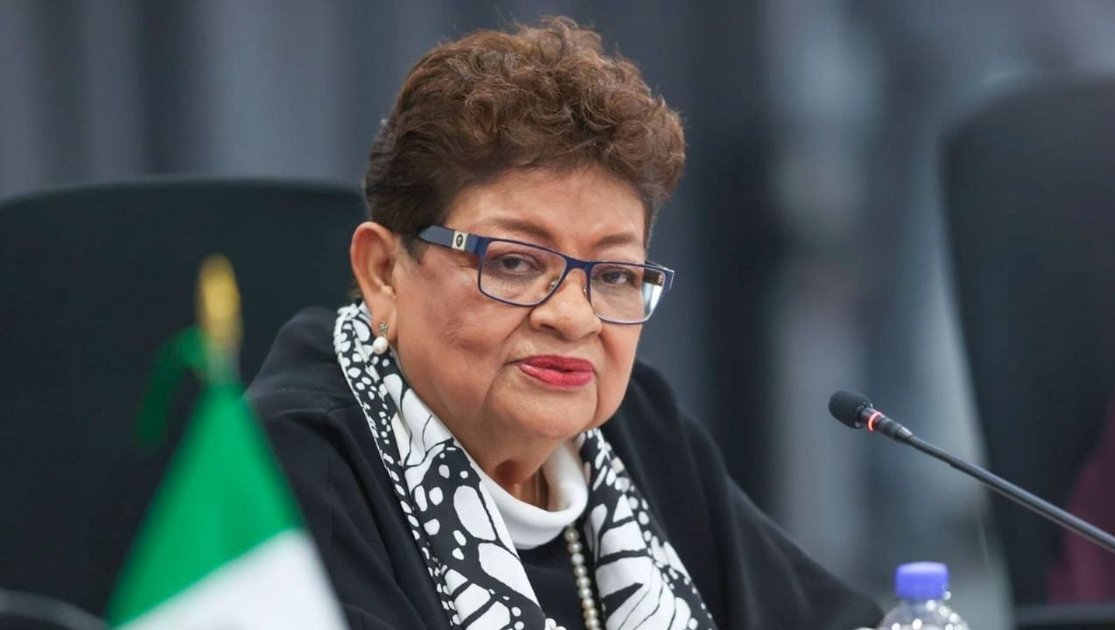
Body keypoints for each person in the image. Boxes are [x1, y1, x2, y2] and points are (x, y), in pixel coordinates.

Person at [248, 17, 881, 630]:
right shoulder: (286, 471)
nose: (574, 318)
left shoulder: (635, 427)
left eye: (615, 275)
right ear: (384, 272)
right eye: (515, 263)